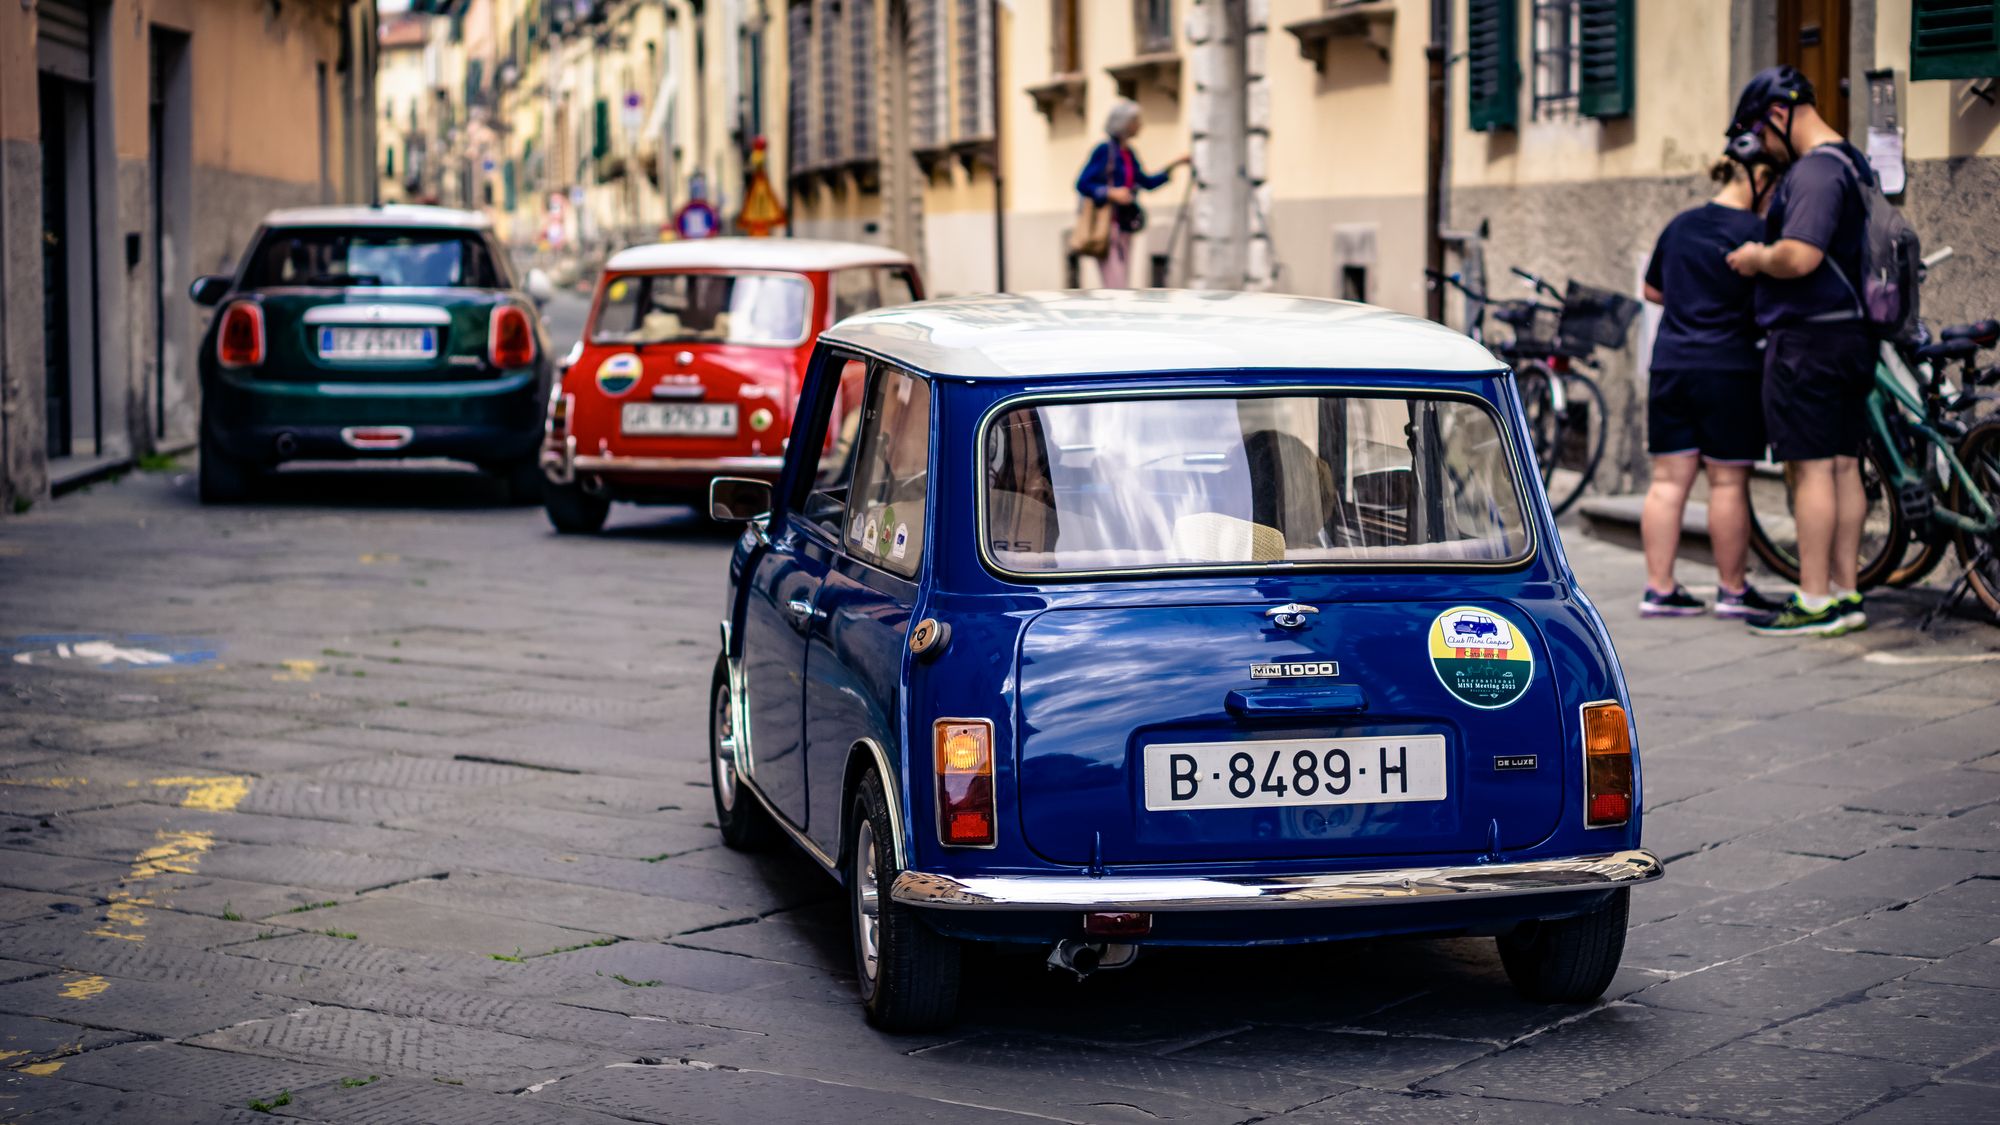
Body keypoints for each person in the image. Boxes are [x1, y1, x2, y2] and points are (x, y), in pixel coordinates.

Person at [1724, 66, 1875, 637]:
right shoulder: (1852, 162)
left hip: (1809, 340)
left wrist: (1755, 256)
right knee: (1842, 465)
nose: (1762, 147)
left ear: (1779, 115)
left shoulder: (1813, 171)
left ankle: (1813, 599)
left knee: (1811, 469)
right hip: (1850, 336)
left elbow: (1801, 255)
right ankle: (1845, 592)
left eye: (1760, 134)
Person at [1638, 159, 1786, 619]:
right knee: (1727, 481)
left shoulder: (1680, 225)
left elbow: (1651, 290)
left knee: (1666, 482)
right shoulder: (1760, 232)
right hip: (1730, 367)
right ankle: (1732, 591)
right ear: (1760, 180)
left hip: (1672, 365)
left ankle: (1659, 590)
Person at [1075, 99, 1188, 289]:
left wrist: (1175, 164)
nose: (1140, 125)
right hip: (1107, 226)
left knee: (1122, 283)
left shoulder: (1128, 153)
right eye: (1136, 120)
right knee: (1116, 285)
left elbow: (1146, 182)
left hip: (1125, 227)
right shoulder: (1104, 151)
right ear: (1125, 123)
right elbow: (1083, 183)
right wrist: (1111, 193)